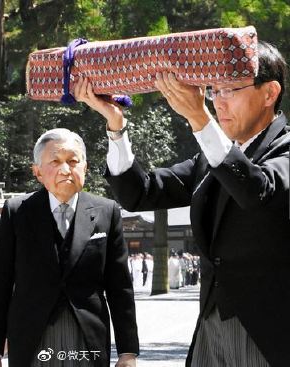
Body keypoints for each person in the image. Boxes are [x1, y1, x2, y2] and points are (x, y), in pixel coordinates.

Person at [75, 40, 290, 367]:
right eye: (213, 91)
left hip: (269, 333)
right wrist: (115, 126)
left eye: (229, 89)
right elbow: (139, 193)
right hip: (209, 326)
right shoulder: (210, 159)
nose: (219, 103)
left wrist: (199, 118)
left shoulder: (284, 152)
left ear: (269, 93)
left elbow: (256, 191)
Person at [0, 128, 139, 367]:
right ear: (38, 172)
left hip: (87, 337)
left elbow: (120, 287)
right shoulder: (17, 212)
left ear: (84, 167)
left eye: (73, 161)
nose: (66, 169)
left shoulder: (107, 211)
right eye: (55, 161)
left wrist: (128, 352)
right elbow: (0, 283)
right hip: (32, 336)